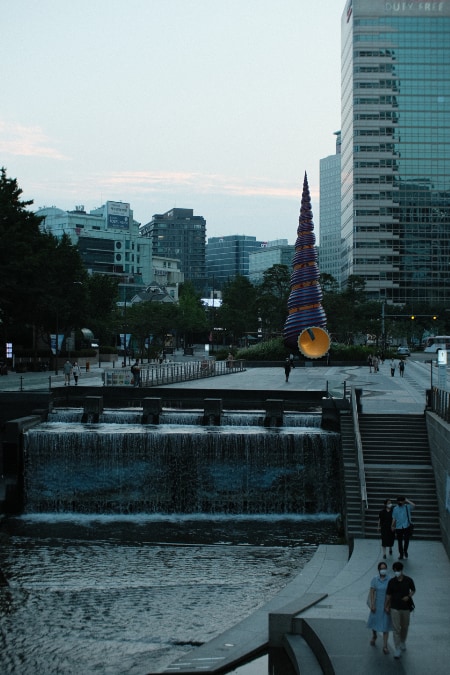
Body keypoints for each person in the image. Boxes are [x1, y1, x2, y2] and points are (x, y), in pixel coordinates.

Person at [385, 561, 416, 659]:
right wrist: (386, 605)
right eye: (395, 571)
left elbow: (413, 590)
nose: (396, 572)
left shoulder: (408, 580)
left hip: (405, 607)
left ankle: (403, 641)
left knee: (405, 626)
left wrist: (409, 596)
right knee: (396, 628)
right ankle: (397, 648)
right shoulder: (391, 582)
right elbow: (388, 595)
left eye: (398, 570)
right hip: (394, 607)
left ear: (401, 570)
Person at [367, 561, 392, 654]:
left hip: (386, 605)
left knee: (385, 625)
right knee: (374, 623)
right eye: (381, 568)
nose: (383, 570)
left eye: (384, 568)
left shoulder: (389, 580)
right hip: (377, 604)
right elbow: (372, 592)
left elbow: (391, 594)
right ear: (379, 570)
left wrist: (388, 605)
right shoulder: (375, 579)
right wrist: (372, 604)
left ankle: (385, 646)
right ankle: (374, 636)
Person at [391, 496, 415, 560]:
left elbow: (414, 505)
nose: (400, 502)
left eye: (401, 501)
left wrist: (407, 500)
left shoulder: (407, 507)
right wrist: (392, 526)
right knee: (399, 541)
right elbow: (394, 518)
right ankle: (401, 554)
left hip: (406, 526)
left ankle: (405, 551)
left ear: (404, 501)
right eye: (398, 501)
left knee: (406, 540)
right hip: (398, 527)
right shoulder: (395, 508)